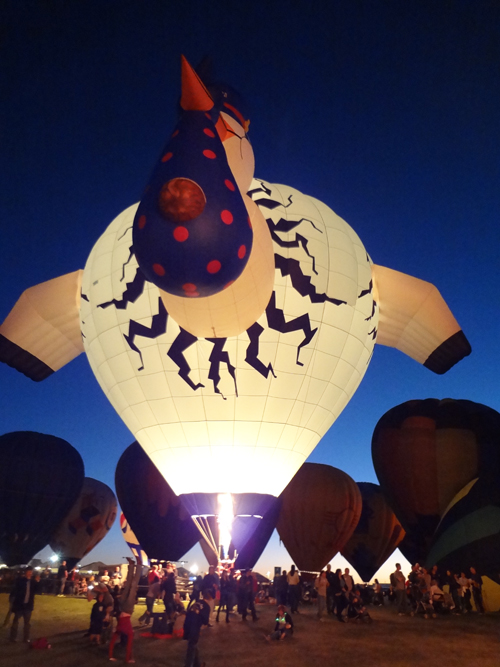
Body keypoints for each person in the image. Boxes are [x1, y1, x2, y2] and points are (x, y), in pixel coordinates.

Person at [109, 556, 142, 664]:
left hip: (123, 606)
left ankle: (132, 565)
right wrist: (129, 659)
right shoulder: (128, 632)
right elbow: (129, 646)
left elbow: (113, 643)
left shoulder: (120, 630)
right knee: (132, 586)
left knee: (128, 584)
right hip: (127, 608)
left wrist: (111, 657)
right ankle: (138, 565)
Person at [9, 566, 41, 643]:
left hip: (28, 606)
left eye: (31, 572)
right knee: (15, 622)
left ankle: (26, 638)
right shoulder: (21, 580)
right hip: (19, 605)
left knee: (27, 623)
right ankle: (13, 638)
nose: (30, 573)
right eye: (28, 571)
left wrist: (37, 582)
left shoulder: (33, 582)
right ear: (26, 572)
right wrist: (11, 600)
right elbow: (15, 590)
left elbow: (38, 591)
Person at [183, 593, 210, 667]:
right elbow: (205, 621)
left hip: (187, 624)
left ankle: (197, 664)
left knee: (193, 644)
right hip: (194, 627)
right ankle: (189, 665)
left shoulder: (196, 602)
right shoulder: (206, 607)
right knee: (191, 646)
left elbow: (188, 612)